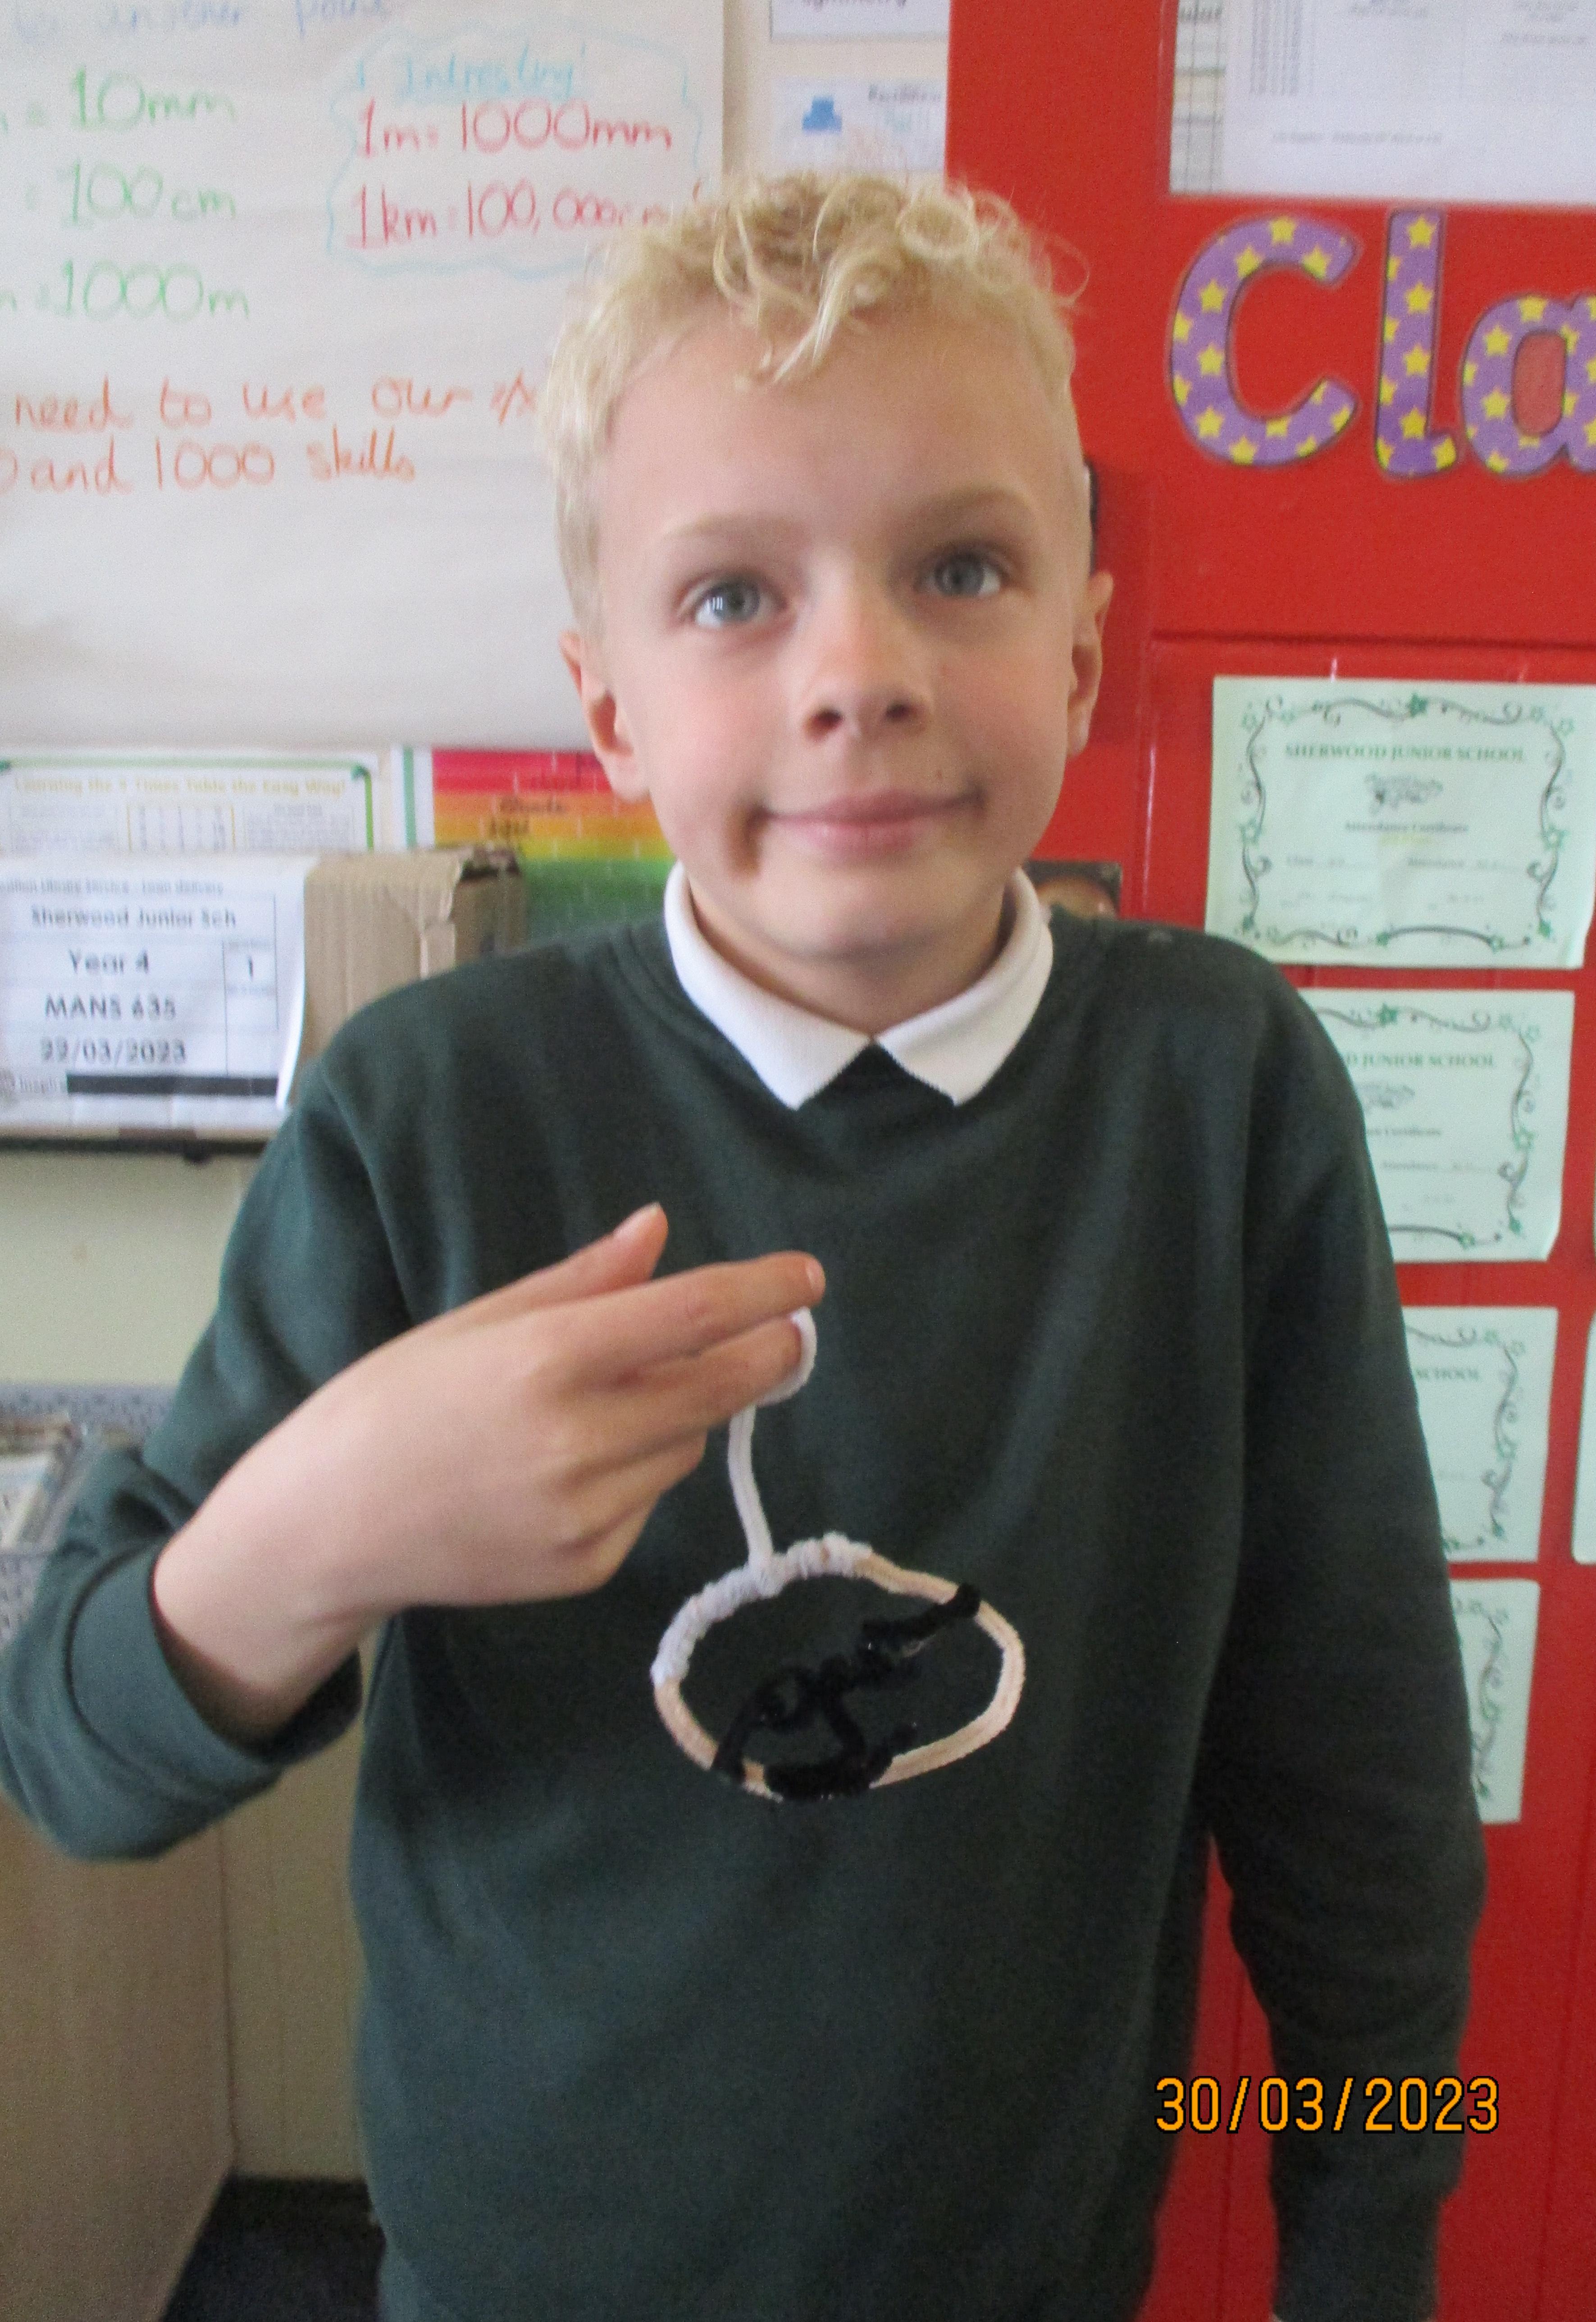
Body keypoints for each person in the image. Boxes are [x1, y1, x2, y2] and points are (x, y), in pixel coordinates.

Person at [0, 174, 1483, 2322]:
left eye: (960, 568)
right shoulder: (427, 1110)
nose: (859, 672)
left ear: (1080, 648)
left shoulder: (1224, 1090)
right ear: (606, 706)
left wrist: (1372, 2258)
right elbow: (73, 1759)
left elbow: (1366, 1784)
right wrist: (322, 1523)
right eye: (730, 597)